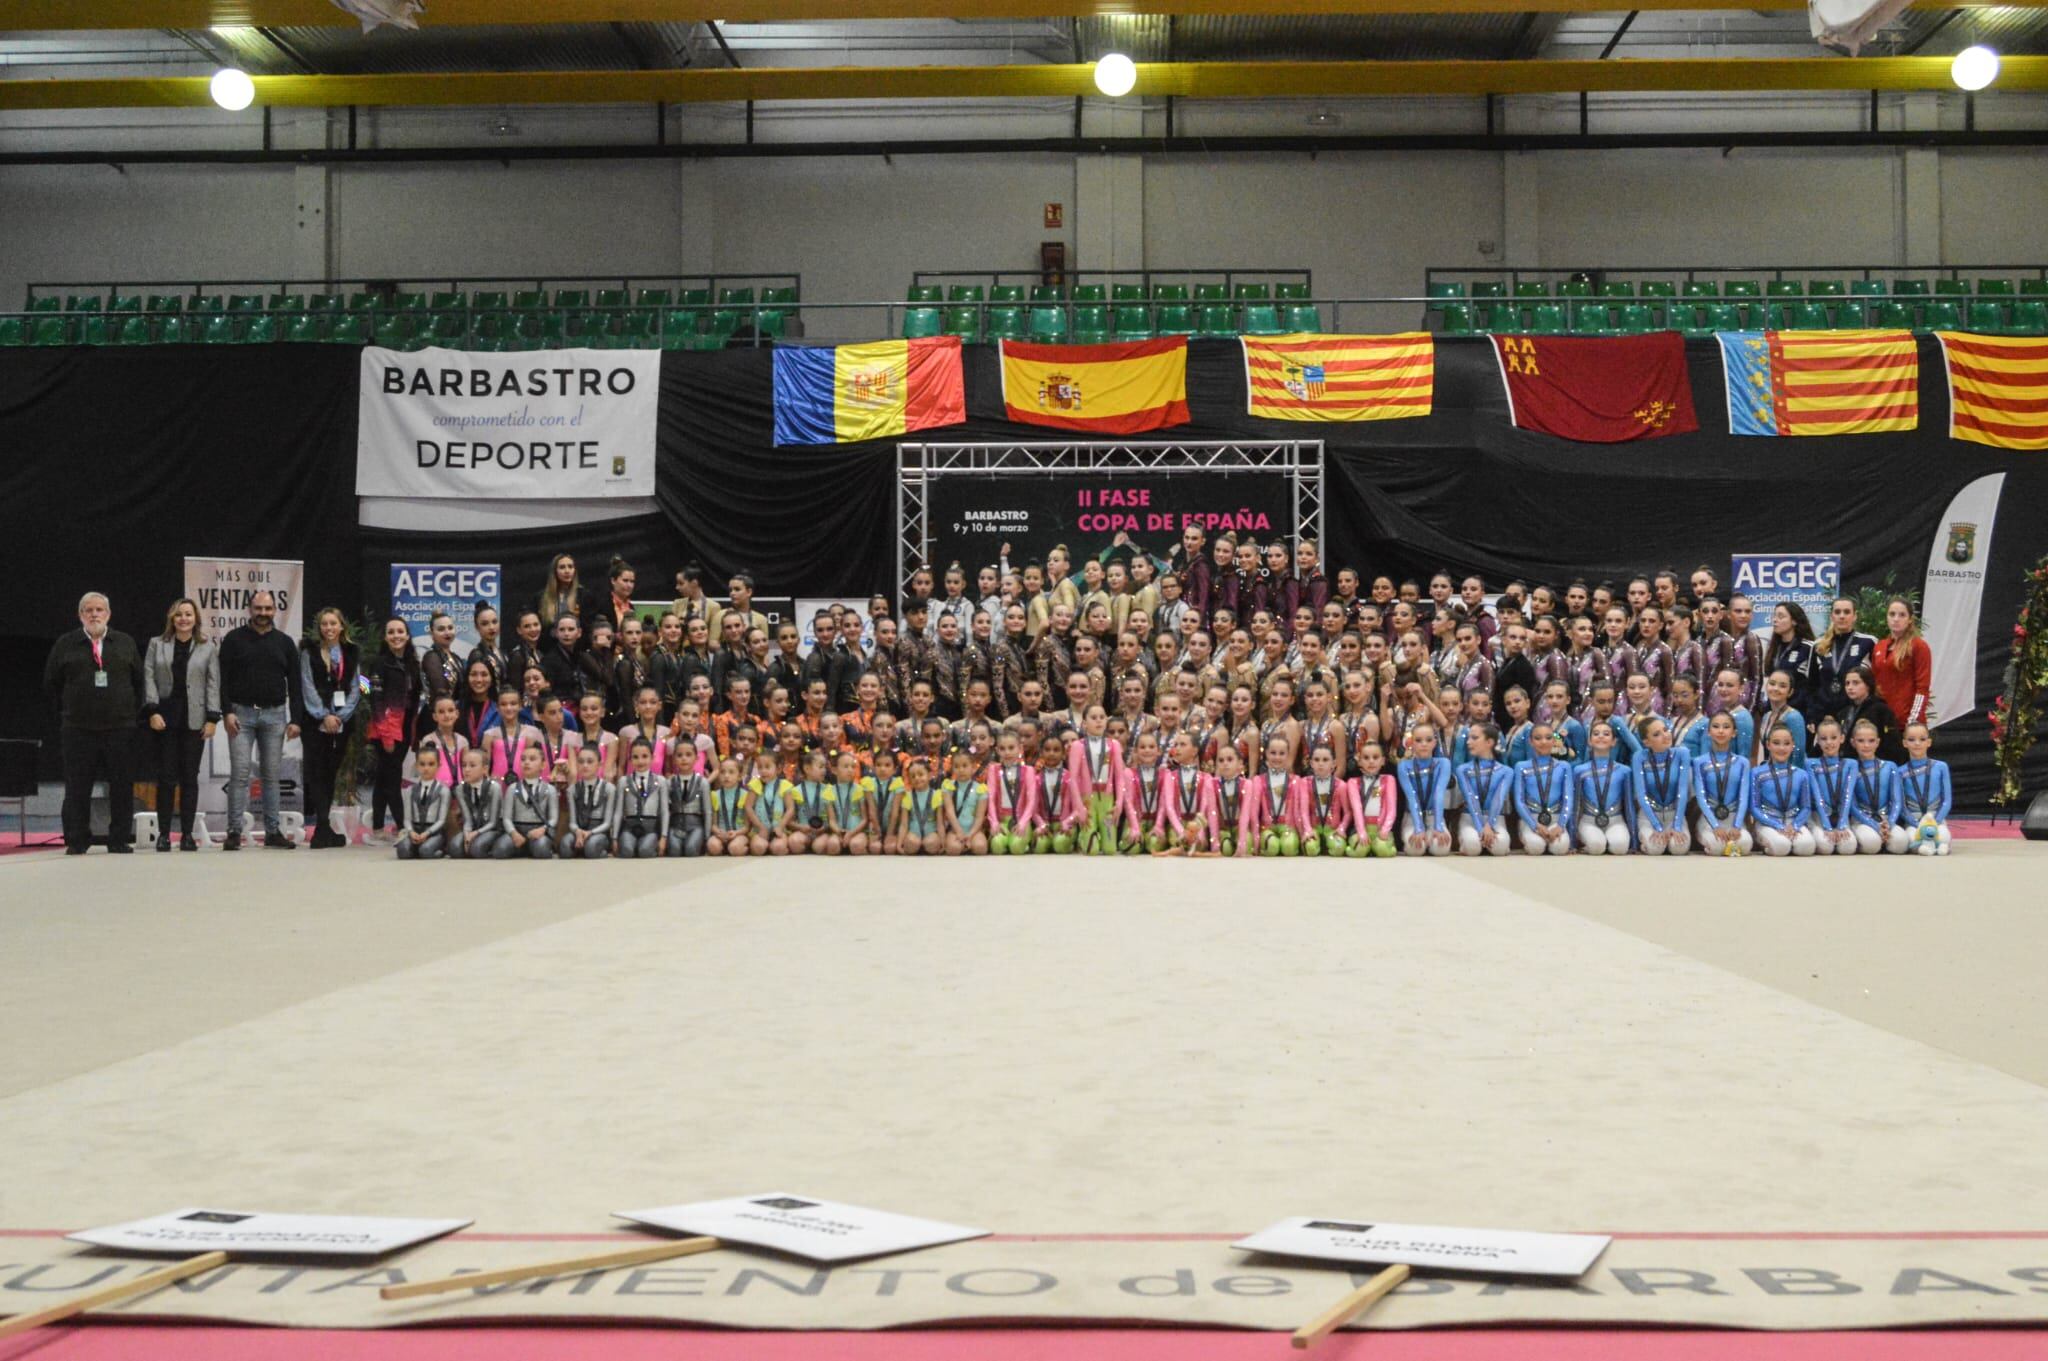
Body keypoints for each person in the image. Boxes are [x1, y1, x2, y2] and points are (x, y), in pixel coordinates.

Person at [44, 592, 147, 854]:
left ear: (108, 614)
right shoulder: (65, 644)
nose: (94, 614)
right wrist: (68, 713)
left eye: (99, 609)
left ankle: (119, 839)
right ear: (80, 615)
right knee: (77, 788)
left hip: (119, 729)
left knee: (122, 787)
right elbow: (51, 684)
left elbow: (139, 683)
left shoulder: (125, 643)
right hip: (78, 730)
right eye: (88, 610)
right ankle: (77, 839)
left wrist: (129, 715)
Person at [218, 591, 304, 850]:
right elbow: (221, 680)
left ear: (275, 610)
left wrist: (296, 719)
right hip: (241, 715)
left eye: (268, 609)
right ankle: (234, 832)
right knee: (240, 774)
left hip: (275, 715)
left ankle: (272, 831)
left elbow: (296, 684)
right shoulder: (233, 640)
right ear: (250, 609)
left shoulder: (286, 643)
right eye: (258, 608)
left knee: (271, 776)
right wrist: (226, 712)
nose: (263, 613)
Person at [142, 598, 220, 852]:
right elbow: (149, 676)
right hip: (165, 718)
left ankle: (187, 835)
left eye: (188, 614)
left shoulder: (207, 647)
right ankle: (164, 834)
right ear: (172, 619)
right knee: (166, 779)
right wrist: (152, 710)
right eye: (179, 615)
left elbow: (212, 683)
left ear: (195, 618)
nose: (183, 619)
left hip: (195, 720)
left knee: (189, 778)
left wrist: (212, 718)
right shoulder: (157, 644)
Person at [299, 607, 362, 850]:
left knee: (331, 773)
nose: (329, 628)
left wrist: (342, 715)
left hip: (343, 722)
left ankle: (325, 828)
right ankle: (322, 828)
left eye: (333, 623)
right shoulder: (309, 652)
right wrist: (324, 715)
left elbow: (360, 686)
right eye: (324, 624)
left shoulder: (353, 651)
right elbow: (307, 685)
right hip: (315, 723)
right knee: (317, 773)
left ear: (341, 626)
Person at [1807, 596, 1877, 727]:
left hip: (1857, 714)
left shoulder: (1868, 642)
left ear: (1855, 616)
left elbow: (1876, 682)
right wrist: (1812, 715)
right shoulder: (1818, 645)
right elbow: (1812, 685)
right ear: (1831, 616)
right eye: (1837, 612)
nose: (1842, 616)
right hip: (1825, 716)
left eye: (1846, 612)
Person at [1692, 711, 1752, 855]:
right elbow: (1701, 797)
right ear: (1709, 732)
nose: (1720, 731)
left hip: (1733, 817)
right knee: (1717, 847)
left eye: (1726, 727)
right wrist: (1715, 826)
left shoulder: (1743, 763)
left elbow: (1743, 797)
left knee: (1745, 844)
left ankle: (1734, 834)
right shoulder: (1699, 762)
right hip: (1709, 818)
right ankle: (1705, 834)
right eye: (1716, 726)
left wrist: (1737, 825)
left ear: (1734, 733)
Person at [1749, 725, 1814, 857]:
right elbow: (1754, 808)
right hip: (1767, 822)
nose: (1781, 748)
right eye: (1776, 743)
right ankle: (1767, 841)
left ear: (1792, 745)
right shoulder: (1757, 773)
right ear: (1768, 745)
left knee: (1806, 847)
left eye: (1786, 743)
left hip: (1792, 821)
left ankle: (1790, 839)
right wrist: (1777, 825)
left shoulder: (1801, 774)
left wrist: (1795, 825)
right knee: (1781, 847)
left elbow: (1806, 807)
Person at [1631, 717, 1692, 856]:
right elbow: (1641, 794)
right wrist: (1657, 827)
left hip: (1674, 813)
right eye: (1657, 734)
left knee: (1679, 848)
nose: (1665, 736)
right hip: (1649, 814)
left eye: (1665, 730)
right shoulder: (1639, 757)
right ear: (1646, 742)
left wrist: (1676, 826)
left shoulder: (1682, 753)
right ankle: (1647, 839)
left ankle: (1674, 830)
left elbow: (1682, 791)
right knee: (1655, 848)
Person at [1574, 720, 1635, 857]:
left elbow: (1629, 806)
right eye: (1596, 734)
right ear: (1589, 741)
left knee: (1620, 847)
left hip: (1615, 819)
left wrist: (1634, 842)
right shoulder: (1580, 771)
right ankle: (1594, 841)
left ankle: (1609, 841)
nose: (1601, 736)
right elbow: (1576, 805)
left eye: (1606, 734)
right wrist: (1572, 841)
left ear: (1614, 742)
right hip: (1589, 820)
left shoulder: (1624, 771)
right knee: (1596, 847)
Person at [1513, 723, 1576, 855]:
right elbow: (1519, 800)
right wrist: (1534, 825)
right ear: (1531, 742)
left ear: (1554, 741)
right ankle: (1527, 834)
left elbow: (1568, 799)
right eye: (1538, 738)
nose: (1543, 742)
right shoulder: (1521, 766)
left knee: (1560, 848)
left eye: (1548, 738)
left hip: (1556, 818)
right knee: (1536, 848)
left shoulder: (1564, 766)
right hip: (1531, 818)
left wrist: (1561, 825)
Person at [1845, 718, 1904, 855]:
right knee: (1871, 845)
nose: (1866, 745)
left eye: (1871, 741)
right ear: (1853, 742)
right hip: (1861, 819)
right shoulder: (1850, 768)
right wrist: (1873, 825)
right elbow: (1852, 805)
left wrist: (1889, 823)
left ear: (1878, 742)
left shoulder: (1890, 767)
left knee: (1900, 844)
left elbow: (1896, 801)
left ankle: (1883, 836)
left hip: (1886, 818)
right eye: (1861, 741)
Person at [1872, 598, 1932, 730]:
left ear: (1910, 619)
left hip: (1907, 723)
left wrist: (1913, 721)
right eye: (1892, 614)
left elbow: (1922, 688)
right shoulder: (1879, 646)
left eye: (1902, 615)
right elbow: (1875, 685)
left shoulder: (1919, 646)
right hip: (1882, 721)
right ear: (1886, 617)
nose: (1896, 619)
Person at [1454, 722, 1513, 857]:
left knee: (1500, 848)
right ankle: (1472, 840)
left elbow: (1498, 799)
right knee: (1472, 847)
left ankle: (1488, 839)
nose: (1468, 742)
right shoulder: (1463, 770)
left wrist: (1489, 825)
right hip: (1470, 817)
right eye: (1468, 738)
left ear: (1489, 742)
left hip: (1496, 818)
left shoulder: (1506, 771)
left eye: (1474, 738)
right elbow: (1470, 798)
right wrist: (1481, 827)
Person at [1396, 722, 1453, 856]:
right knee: (1416, 849)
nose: (1424, 744)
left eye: (1428, 740)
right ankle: (1416, 833)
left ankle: (1433, 831)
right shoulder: (1404, 766)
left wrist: (1438, 827)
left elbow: (1439, 794)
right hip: (1412, 816)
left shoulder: (1443, 763)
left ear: (1434, 742)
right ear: (1412, 743)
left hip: (1434, 816)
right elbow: (1411, 796)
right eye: (1418, 740)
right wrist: (1419, 827)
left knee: (1441, 849)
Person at [497, 744, 560, 859]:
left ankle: (531, 847)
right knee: (500, 850)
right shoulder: (512, 788)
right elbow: (506, 818)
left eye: (532, 759)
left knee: (542, 851)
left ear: (543, 765)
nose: (526, 762)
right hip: (517, 829)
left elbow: (553, 818)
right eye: (523, 759)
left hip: (539, 829)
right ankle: (523, 847)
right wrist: (513, 833)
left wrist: (543, 829)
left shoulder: (550, 789)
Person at [1805, 716, 1855, 856]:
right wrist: (1826, 826)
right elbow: (1817, 796)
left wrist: (1842, 824)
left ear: (1842, 738)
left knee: (1848, 847)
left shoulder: (1851, 764)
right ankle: (1817, 830)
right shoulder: (1811, 764)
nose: (1829, 742)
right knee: (1826, 847)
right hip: (1818, 816)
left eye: (1833, 737)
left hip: (1840, 816)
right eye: (1823, 738)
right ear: (1818, 740)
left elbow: (1847, 796)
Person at [394, 742, 451, 860]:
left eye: (431, 764)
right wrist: (410, 832)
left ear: (438, 765)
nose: (426, 768)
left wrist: (427, 833)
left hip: (434, 832)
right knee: (403, 851)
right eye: (422, 764)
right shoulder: (410, 790)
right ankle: (415, 849)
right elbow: (407, 818)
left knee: (426, 851)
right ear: (417, 766)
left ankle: (439, 850)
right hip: (415, 829)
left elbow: (441, 820)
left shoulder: (444, 790)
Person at [560, 746, 618, 859]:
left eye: (590, 761)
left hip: (599, 832)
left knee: (591, 848)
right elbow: (572, 822)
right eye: (581, 762)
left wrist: (590, 833)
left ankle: (598, 849)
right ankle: (581, 847)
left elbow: (608, 823)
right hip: (579, 830)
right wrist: (577, 832)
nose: (585, 765)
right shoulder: (572, 790)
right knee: (564, 847)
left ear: (599, 764)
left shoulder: (609, 788)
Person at [615, 738, 668, 859]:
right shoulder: (624, 781)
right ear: (630, 759)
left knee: (645, 851)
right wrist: (614, 837)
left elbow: (664, 811)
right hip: (630, 826)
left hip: (650, 827)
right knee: (627, 851)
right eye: (635, 757)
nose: (640, 761)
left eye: (645, 756)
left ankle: (648, 844)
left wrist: (663, 837)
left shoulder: (660, 781)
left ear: (652, 757)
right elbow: (618, 811)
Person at [449, 747, 504, 860]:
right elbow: (467, 819)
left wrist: (476, 834)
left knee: (477, 849)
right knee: (454, 848)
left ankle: (493, 848)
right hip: (473, 827)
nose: (467, 770)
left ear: (485, 769)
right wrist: (467, 834)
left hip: (492, 828)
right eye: (464, 765)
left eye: (472, 766)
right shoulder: (460, 789)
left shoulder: (494, 787)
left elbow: (493, 822)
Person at [666, 751, 711, 857]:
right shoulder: (670, 782)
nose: (684, 758)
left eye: (688, 755)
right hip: (676, 825)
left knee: (691, 850)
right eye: (679, 755)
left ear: (696, 758)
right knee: (674, 851)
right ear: (674, 759)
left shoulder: (702, 782)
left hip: (695, 825)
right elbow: (665, 810)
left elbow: (707, 811)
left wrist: (707, 837)